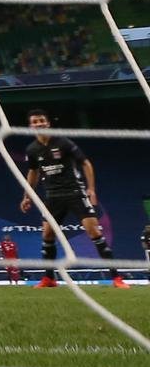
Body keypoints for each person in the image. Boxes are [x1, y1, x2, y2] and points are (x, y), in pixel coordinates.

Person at [20, 109, 127, 288]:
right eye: (35, 121)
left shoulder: (63, 142)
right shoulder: (32, 149)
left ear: (47, 123)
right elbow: (33, 172)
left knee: (94, 232)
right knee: (47, 235)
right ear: (31, 126)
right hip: (52, 196)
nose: (38, 124)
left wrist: (91, 189)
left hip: (74, 193)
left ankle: (117, 278)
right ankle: (49, 278)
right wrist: (27, 196)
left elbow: (85, 163)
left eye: (41, 120)